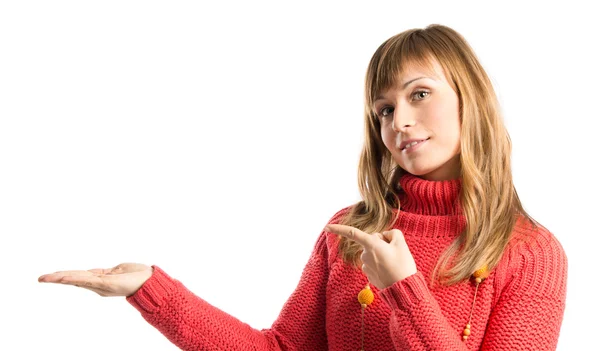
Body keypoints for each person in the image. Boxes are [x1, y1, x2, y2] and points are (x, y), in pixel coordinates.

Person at [38, 24, 568, 350]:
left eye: (419, 94)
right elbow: (281, 350)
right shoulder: (351, 232)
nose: (399, 121)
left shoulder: (529, 253)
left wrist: (405, 288)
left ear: (469, 98)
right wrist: (152, 288)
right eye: (383, 110)